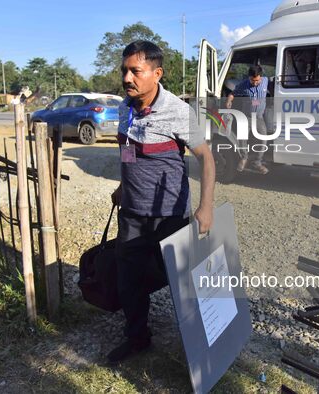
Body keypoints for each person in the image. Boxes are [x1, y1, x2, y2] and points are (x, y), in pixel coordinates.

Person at [107, 40, 215, 363]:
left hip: (170, 217)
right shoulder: (125, 109)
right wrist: (123, 186)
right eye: (124, 70)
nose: (127, 78)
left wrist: (206, 206)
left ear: (157, 74)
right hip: (132, 215)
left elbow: (206, 159)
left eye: (135, 71)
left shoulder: (178, 112)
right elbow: (128, 152)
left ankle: (203, 349)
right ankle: (138, 337)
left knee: (185, 285)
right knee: (129, 281)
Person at [226, 65, 270, 174]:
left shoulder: (266, 81)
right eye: (252, 80)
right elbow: (232, 93)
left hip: (259, 117)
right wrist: (229, 100)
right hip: (247, 117)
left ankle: (257, 162)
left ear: (261, 77)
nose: (254, 83)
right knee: (242, 137)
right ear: (249, 77)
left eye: (257, 80)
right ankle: (244, 157)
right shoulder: (244, 84)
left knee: (264, 138)